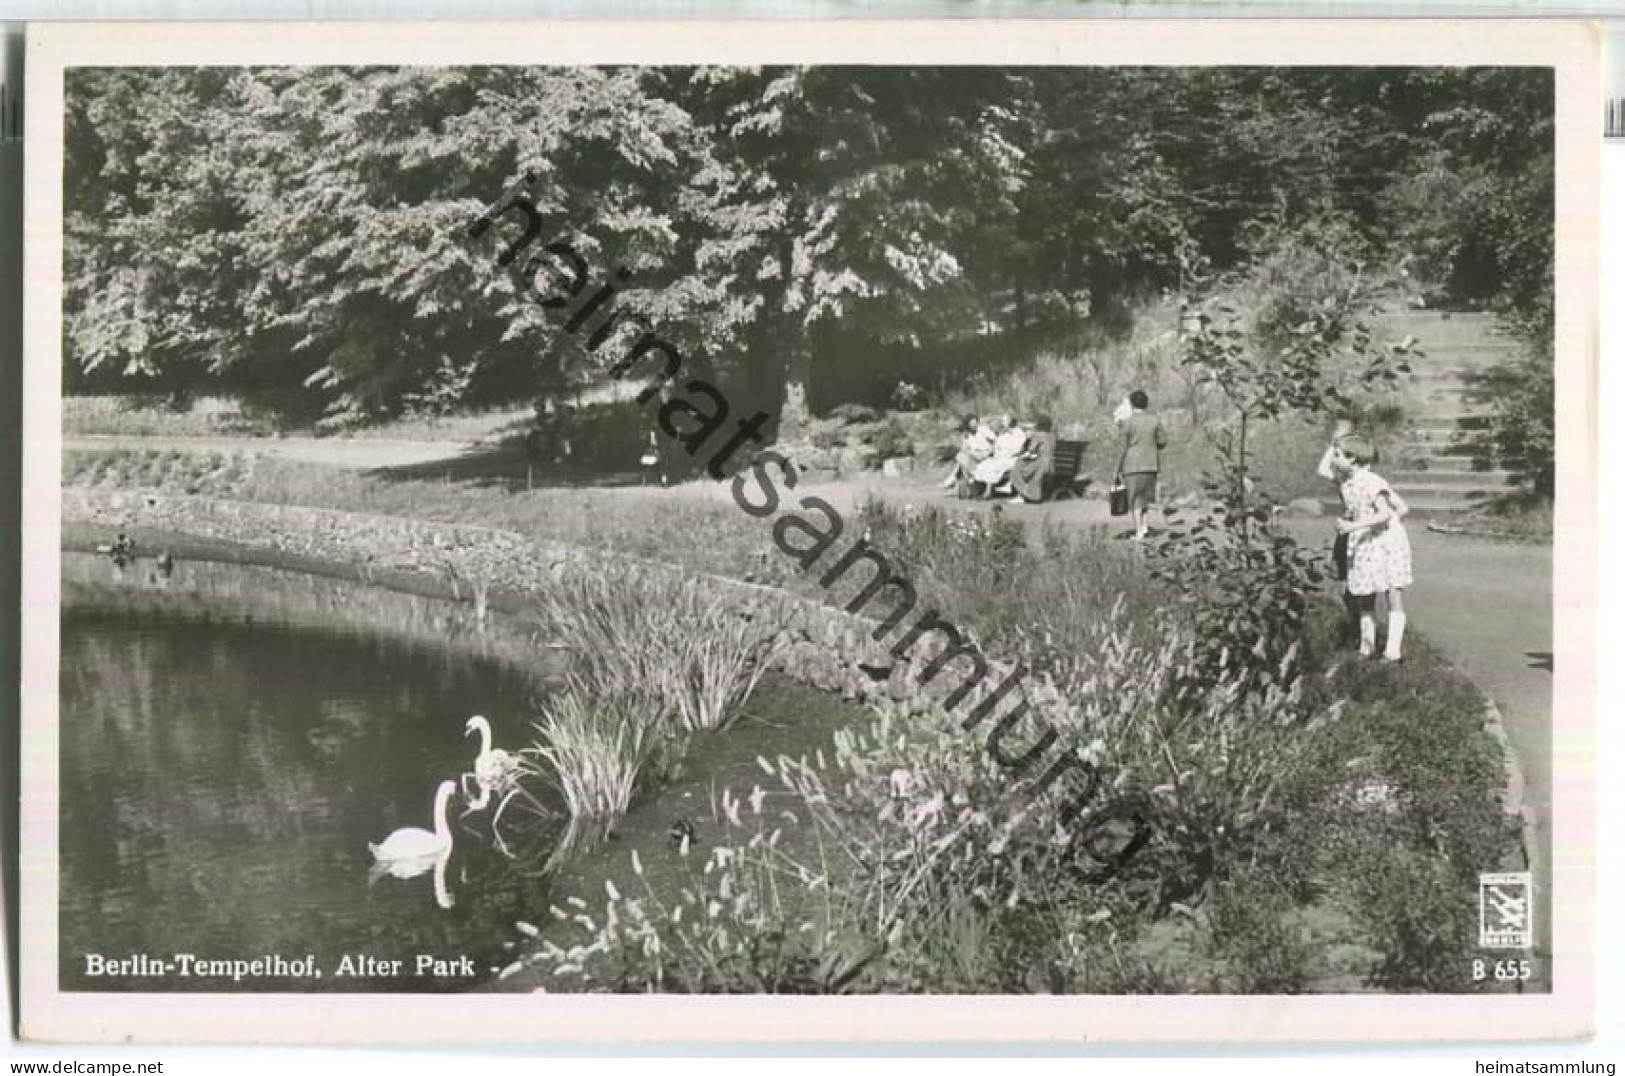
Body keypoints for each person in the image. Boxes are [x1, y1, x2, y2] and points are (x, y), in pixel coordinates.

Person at [1332, 434, 1413, 662]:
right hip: (1365, 542)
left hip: (1385, 543)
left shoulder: (1372, 481)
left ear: (1352, 458)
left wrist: (1357, 525)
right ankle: (1366, 648)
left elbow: (1388, 512)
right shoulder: (1346, 484)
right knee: (1365, 595)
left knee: (1392, 592)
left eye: (1337, 455)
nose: (1333, 458)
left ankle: (1392, 652)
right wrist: (1354, 522)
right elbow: (1401, 508)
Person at [1115, 390, 1167, 540]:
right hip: (1151, 463)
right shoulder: (1155, 420)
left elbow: (1122, 447)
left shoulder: (1128, 422)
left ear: (1131, 404)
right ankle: (1144, 527)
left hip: (1132, 464)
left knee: (1134, 498)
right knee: (1145, 497)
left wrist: (1117, 468)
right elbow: (1163, 441)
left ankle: (1139, 530)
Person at [972, 414, 1028, 497]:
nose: (1002, 422)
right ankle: (978, 489)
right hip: (1000, 457)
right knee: (985, 464)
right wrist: (997, 454)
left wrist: (1008, 454)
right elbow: (997, 446)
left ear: (1011, 422)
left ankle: (988, 491)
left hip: (1012, 458)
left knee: (995, 466)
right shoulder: (1003, 433)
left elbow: (1019, 449)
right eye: (1003, 421)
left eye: (1005, 421)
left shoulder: (1019, 433)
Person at [940, 415, 995, 492]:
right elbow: (965, 448)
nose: (974, 425)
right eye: (972, 423)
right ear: (968, 425)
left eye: (975, 422)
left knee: (963, 457)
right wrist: (965, 442)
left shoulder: (983, 429)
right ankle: (968, 480)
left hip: (986, 453)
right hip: (974, 455)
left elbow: (994, 440)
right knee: (961, 457)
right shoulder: (967, 435)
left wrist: (991, 451)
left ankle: (954, 480)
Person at [1011, 414, 1057, 504]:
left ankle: (1025, 494)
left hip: (1040, 465)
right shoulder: (1052, 436)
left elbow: (1031, 450)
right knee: (1024, 467)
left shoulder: (1039, 435)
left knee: (1017, 468)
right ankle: (1026, 494)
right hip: (1051, 465)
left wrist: (1028, 441)